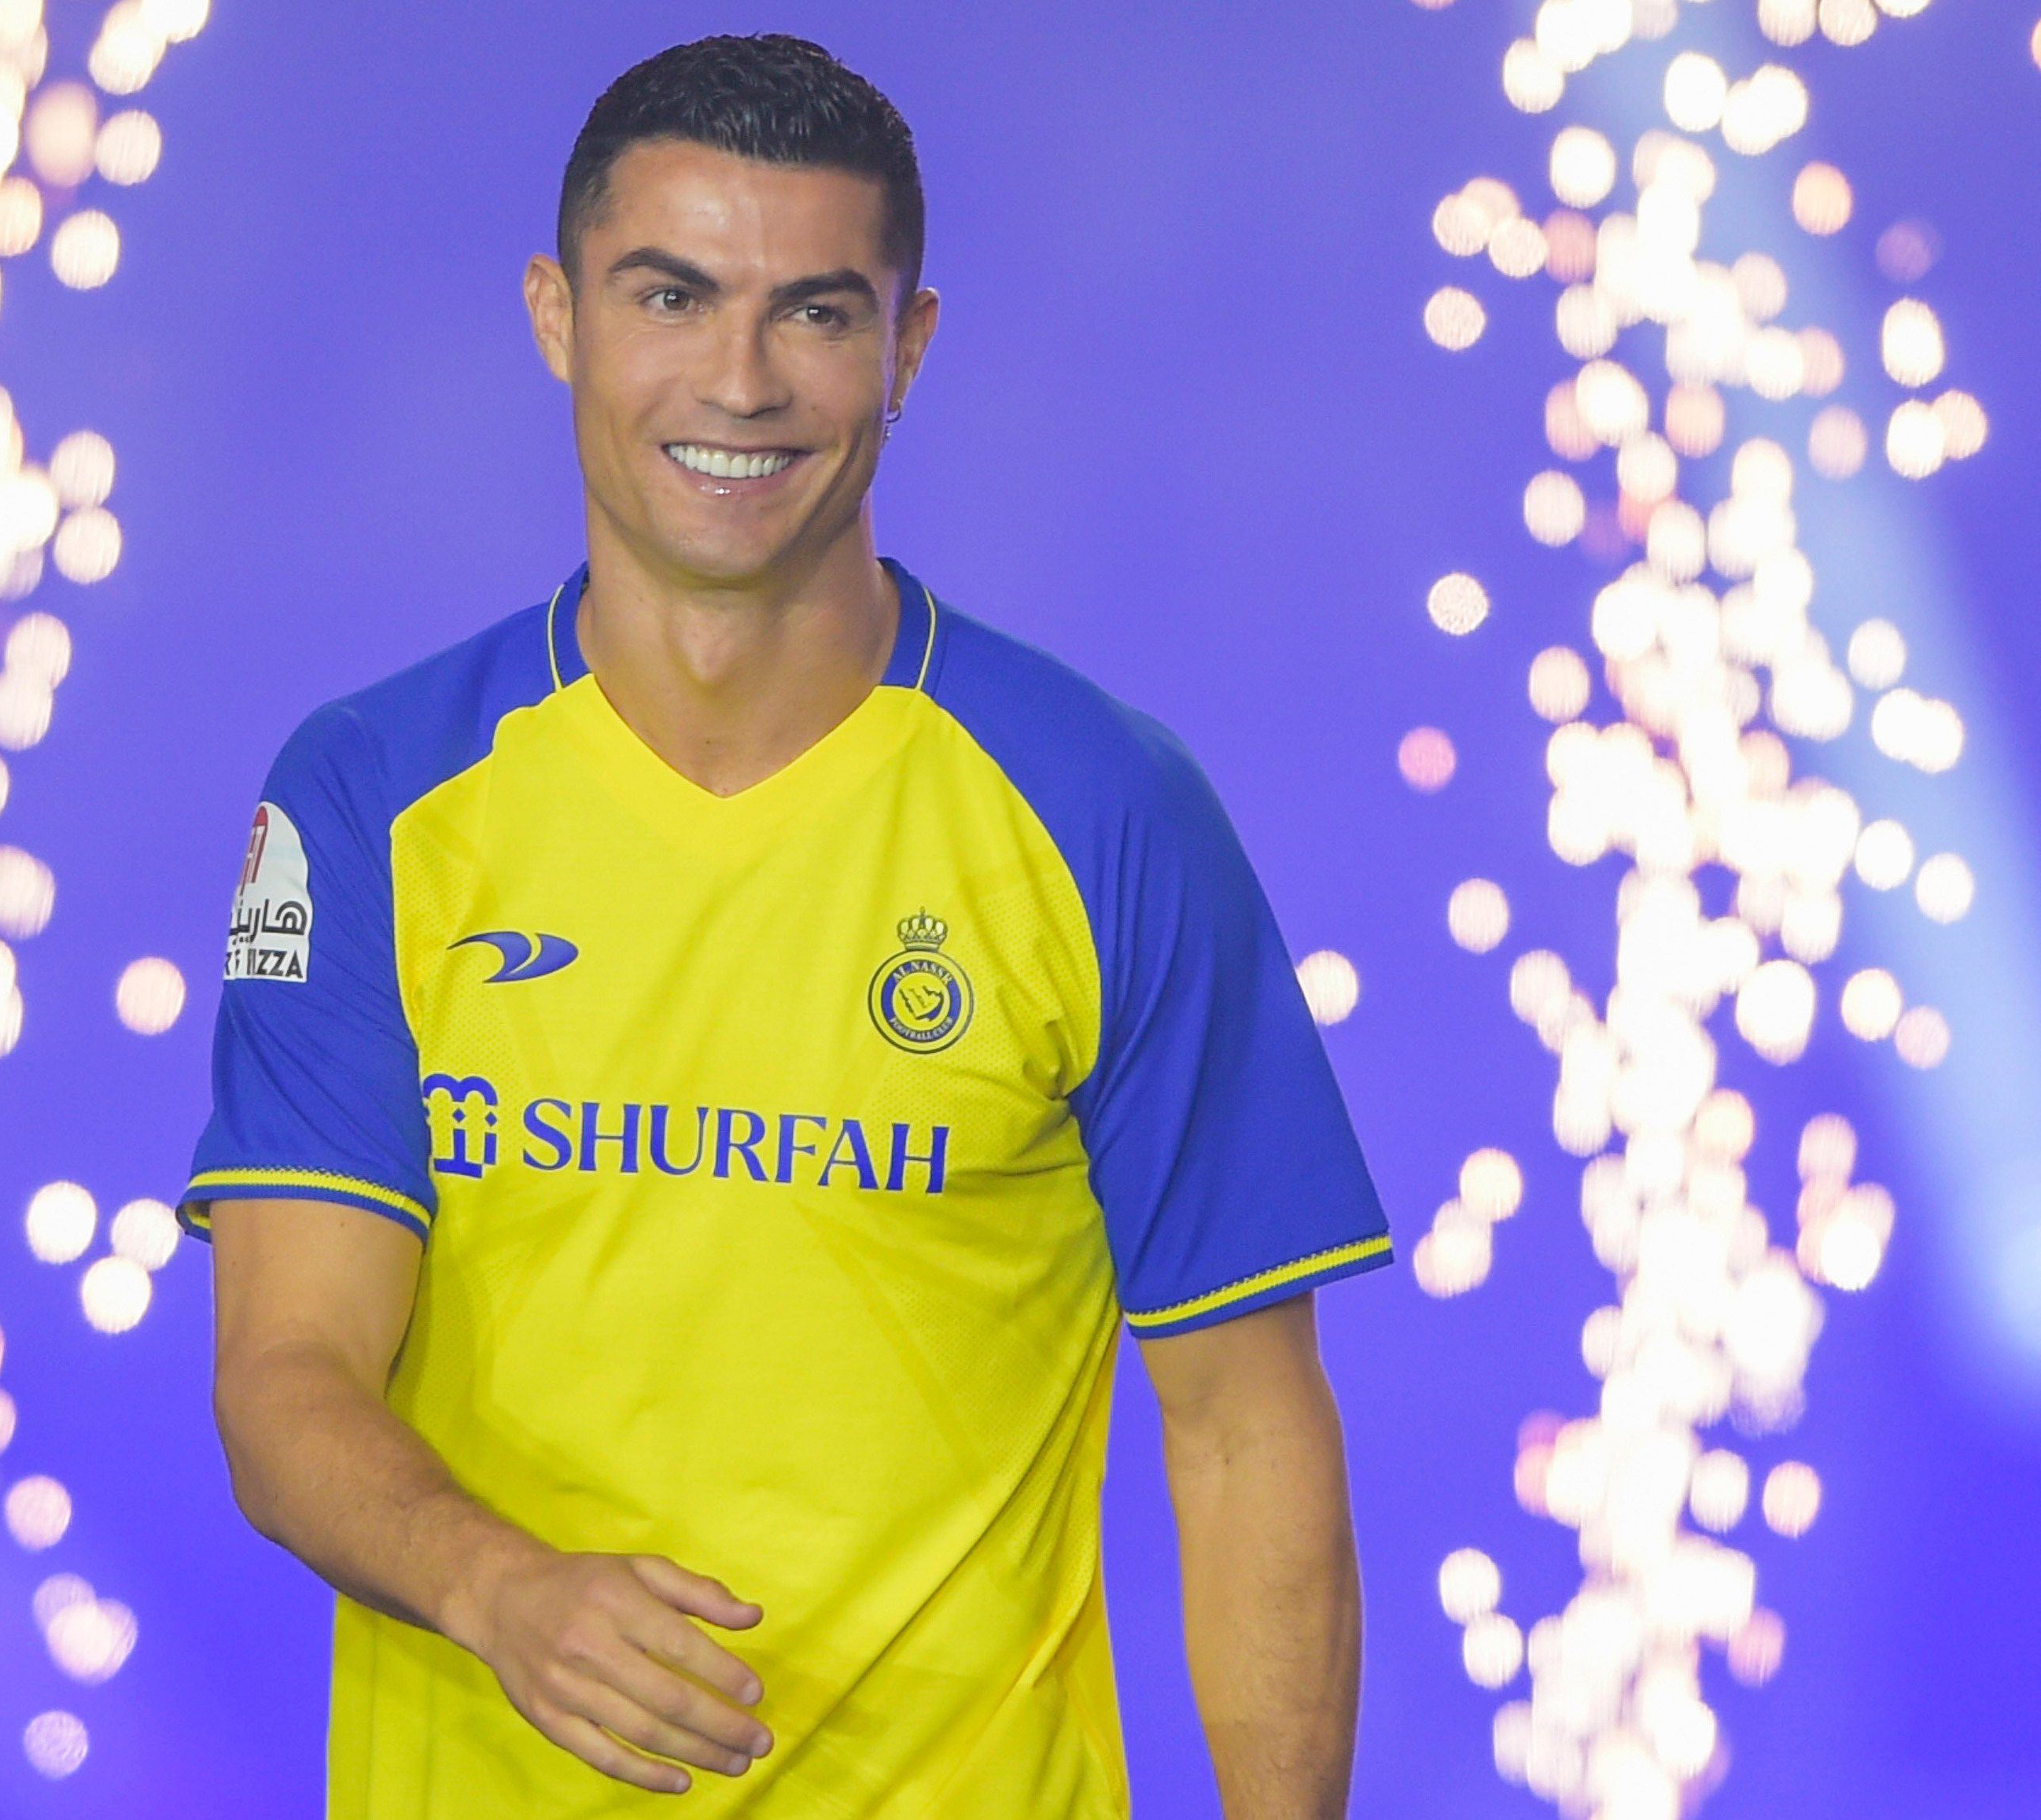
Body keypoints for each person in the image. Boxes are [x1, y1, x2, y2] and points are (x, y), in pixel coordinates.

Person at [179, 33, 1390, 1818]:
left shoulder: (1104, 805)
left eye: (816, 314)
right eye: (672, 294)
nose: (738, 380)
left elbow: (1242, 1421)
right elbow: (285, 1374)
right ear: (555, 313)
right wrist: (502, 1588)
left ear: (908, 349)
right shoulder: (369, 795)